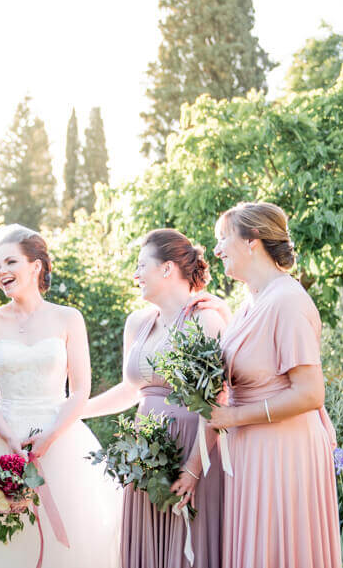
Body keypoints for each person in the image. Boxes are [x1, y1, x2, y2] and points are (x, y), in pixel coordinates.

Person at [0, 225, 121, 568]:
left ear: (35, 266)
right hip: (2, 441)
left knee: (72, 545)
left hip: (61, 441)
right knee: (1, 541)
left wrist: (52, 434)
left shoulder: (69, 318)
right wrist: (8, 437)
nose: (1, 272)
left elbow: (80, 389)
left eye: (10, 261)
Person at [197, 202, 341, 567]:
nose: (216, 250)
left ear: (252, 240)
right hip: (250, 448)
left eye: (223, 238)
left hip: (284, 450)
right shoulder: (247, 305)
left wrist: (235, 416)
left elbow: (310, 393)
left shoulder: (288, 300)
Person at [82, 228, 225, 568]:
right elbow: (130, 390)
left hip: (193, 451)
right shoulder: (138, 322)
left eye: (141, 264)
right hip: (144, 455)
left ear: (167, 269)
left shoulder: (206, 320)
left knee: (187, 548)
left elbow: (215, 400)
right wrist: (78, 412)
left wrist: (192, 468)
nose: (135, 274)